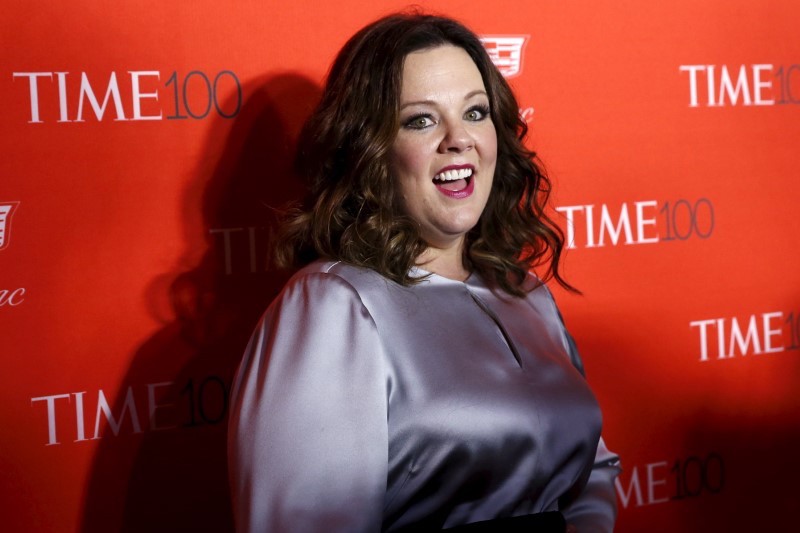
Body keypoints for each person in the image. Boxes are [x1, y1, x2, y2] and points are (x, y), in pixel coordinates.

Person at [228, 12, 620, 532]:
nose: (459, 139)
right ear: (368, 150)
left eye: (475, 112)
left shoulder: (525, 293)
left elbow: (591, 471)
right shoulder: (332, 304)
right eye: (421, 120)